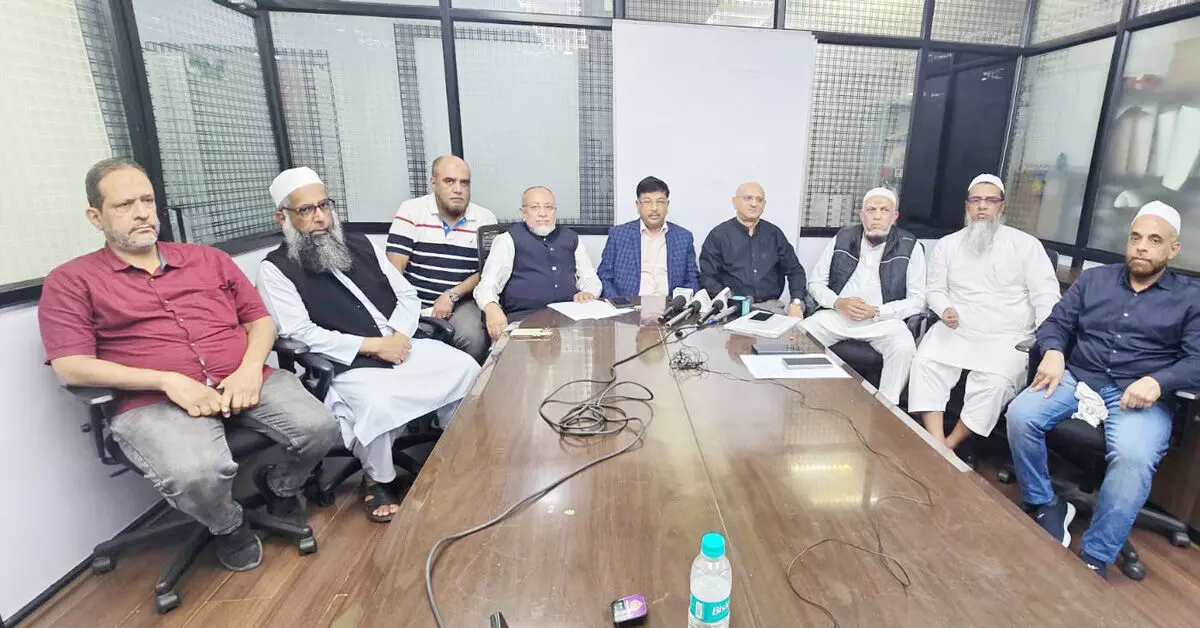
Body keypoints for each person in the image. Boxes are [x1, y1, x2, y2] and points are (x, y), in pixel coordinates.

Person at [38, 158, 338, 572]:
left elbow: (261, 322)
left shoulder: (207, 259)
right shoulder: (71, 281)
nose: (142, 213)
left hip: (242, 378)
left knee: (322, 427)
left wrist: (250, 369)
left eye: (147, 201)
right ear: (96, 217)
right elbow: (71, 366)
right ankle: (228, 525)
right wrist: (167, 381)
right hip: (153, 401)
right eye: (124, 205)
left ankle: (281, 486)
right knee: (195, 472)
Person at [257, 167, 480, 523]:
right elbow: (299, 333)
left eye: (324, 205)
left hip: (401, 343)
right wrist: (372, 345)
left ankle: (449, 446)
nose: (320, 217)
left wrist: (399, 335)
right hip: (349, 360)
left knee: (466, 368)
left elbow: (406, 294)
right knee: (378, 401)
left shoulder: (360, 244)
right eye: (306, 210)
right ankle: (377, 478)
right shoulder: (275, 269)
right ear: (282, 217)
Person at [1007, 202, 1199, 578]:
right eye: (1136, 237)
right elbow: (1056, 323)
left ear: (1173, 249)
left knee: (1133, 457)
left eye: (1154, 240)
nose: (1141, 246)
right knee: (1020, 415)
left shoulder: (1190, 297)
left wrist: (1159, 381)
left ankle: (1095, 555)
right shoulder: (1095, 281)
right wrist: (1053, 352)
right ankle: (1044, 502)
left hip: (1138, 394)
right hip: (1080, 377)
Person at [908, 174, 1060, 451]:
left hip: (1007, 336)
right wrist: (944, 308)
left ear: (1001, 206)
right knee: (925, 363)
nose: (982, 206)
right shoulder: (948, 244)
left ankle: (950, 444)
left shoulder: (1026, 245)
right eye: (976, 200)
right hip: (957, 329)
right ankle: (935, 439)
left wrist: (1048, 342)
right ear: (967, 206)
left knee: (994, 382)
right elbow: (935, 289)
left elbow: (1046, 297)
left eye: (990, 201)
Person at [802, 187, 925, 404]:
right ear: (862, 215)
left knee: (904, 346)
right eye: (871, 210)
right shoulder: (843, 238)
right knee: (801, 334)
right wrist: (838, 302)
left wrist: (878, 311)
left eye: (884, 210)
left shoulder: (910, 245)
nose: (877, 216)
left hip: (883, 320)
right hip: (838, 316)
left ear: (894, 216)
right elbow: (815, 283)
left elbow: (918, 300)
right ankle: (806, 397)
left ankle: (886, 407)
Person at [387, 155, 497, 362]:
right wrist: (406, 307)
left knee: (473, 339)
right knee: (403, 344)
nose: (458, 189)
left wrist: (451, 295)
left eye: (464, 183)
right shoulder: (411, 210)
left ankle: (466, 382)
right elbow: (395, 267)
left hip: (460, 300)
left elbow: (486, 272)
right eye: (449, 181)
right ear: (434, 182)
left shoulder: (485, 219)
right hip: (414, 299)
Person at [474, 186, 602, 340]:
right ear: (523, 213)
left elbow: (589, 277)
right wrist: (491, 306)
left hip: (568, 321)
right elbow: (487, 284)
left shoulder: (571, 238)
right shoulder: (507, 240)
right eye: (535, 207)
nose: (543, 213)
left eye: (549, 207)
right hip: (523, 322)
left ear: (555, 211)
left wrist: (588, 292)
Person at [698, 182, 807, 317]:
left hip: (770, 308)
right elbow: (708, 277)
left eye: (759, 200)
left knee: (790, 329)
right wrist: (730, 300)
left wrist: (796, 303)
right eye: (748, 198)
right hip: (732, 308)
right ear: (734, 202)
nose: (754, 204)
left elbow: (795, 271)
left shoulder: (774, 234)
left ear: (764, 205)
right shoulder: (719, 235)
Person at [597, 176, 699, 297]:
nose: (654, 208)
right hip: (630, 304)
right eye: (647, 202)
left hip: (669, 305)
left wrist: (678, 303)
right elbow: (605, 277)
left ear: (667, 205)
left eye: (660, 202)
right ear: (638, 205)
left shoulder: (683, 237)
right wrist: (618, 303)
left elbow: (692, 280)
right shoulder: (618, 235)